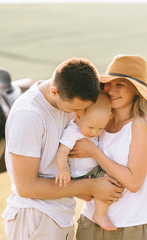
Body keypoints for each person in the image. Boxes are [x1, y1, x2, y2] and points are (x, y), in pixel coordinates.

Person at [2, 57, 123, 240]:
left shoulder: (69, 100)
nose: (79, 114)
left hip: (61, 216)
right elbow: (26, 187)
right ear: (54, 91)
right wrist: (91, 185)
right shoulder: (29, 115)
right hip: (35, 218)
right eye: (74, 108)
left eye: (84, 109)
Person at [73, 55, 147, 240]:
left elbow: (134, 182)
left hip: (130, 225)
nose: (111, 90)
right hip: (90, 222)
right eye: (108, 84)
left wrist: (94, 152)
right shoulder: (99, 119)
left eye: (120, 85)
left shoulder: (140, 124)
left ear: (136, 90)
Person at [55, 92, 117, 231]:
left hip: (91, 171)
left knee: (110, 177)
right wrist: (63, 169)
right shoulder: (73, 132)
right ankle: (100, 214)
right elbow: (62, 152)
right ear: (78, 116)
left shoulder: (92, 125)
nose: (94, 132)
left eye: (100, 128)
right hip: (82, 174)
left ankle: (100, 211)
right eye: (91, 127)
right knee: (106, 179)